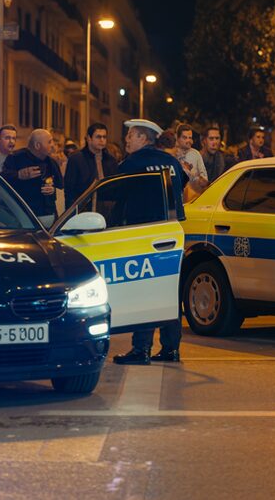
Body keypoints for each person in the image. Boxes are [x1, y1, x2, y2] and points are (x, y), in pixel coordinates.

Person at [112, 118, 186, 365]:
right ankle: (171, 349)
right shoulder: (171, 162)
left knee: (144, 291)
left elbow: (115, 194)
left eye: (131, 135)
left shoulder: (132, 163)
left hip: (143, 234)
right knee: (169, 291)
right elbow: (181, 188)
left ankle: (141, 349)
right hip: (172, 234)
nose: (126, 140)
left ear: (143, 138)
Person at [1, 129, 63, 226]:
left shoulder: (52, 163)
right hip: (23, 216)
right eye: (49, 142)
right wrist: (19, 175)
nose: (52, 145)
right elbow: (2, 179)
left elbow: (60, 187)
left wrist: (53, 189)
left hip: (49, 215)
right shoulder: (16, 158)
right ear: (37, 145)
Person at [63, 123, 118, 208]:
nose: (102, 140)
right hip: (84, 208)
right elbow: (69, 190)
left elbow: (114, 187)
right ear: (89, 138)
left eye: (104, 137)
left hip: (106, 208)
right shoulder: (76, 159)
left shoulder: (111, 160)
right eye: (98, 137)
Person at [172, 124, 208, 201]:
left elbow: (204, 177)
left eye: (190, 138)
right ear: (177, 137)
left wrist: (194, 175)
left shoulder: (195, 154)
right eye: (185, 137)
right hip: (175, 198)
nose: (188, 141)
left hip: (192, 199)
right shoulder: (172, 154)